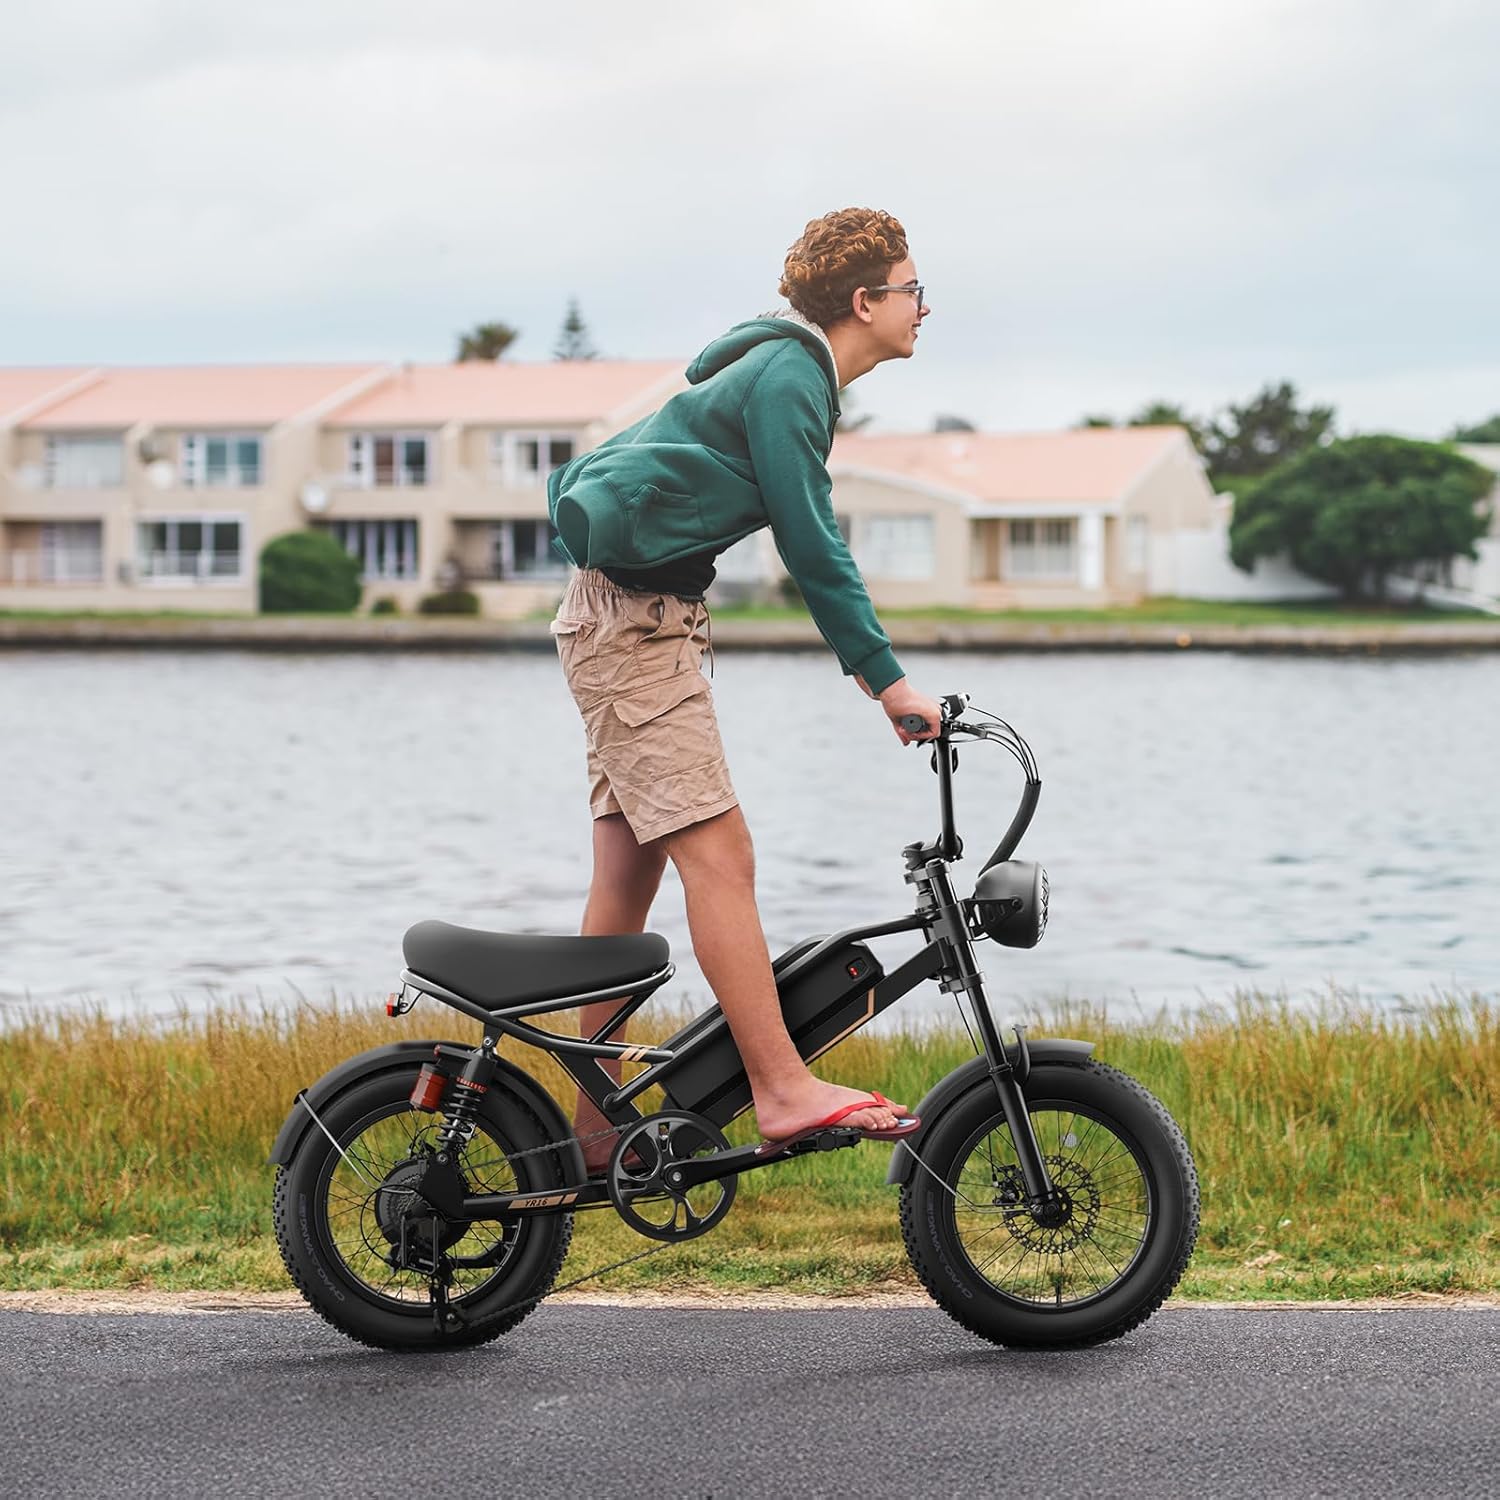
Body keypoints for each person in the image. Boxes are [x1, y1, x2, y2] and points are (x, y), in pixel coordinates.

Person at [547, 206, 942, 1172]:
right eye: (913, 289)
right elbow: (812, 543)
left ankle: (593, 1131)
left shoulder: (787, 374)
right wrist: (886, 682)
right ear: (864, 300)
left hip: (632, 622)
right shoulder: (792, 378)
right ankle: (779, 1087)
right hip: (634, 629)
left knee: (626, 876)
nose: (924, 308)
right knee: (722, 858)